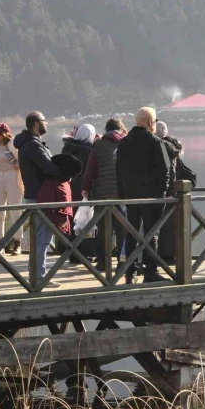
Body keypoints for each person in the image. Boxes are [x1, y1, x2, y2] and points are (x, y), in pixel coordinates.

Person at [116, 107, 171, 283]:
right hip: (152, 197)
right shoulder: (155, 142)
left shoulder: (124, 143)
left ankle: (129, 273)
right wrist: (163, 193)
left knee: (131, 233)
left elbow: (118, 171)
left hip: (131, 196)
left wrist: (122, 194)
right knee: (151, 234)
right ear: (149, 123)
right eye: (154, 122)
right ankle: (150, 272)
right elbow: (165, 171)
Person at [13, 111, 62, 287]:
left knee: (37, 238)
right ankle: (39, 277)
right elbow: (48, 167)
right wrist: (64, 172)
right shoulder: (33, 145)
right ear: (35, 124)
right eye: (44, 121)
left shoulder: (27, 143)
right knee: (43, 238)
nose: (46, 124)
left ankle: (35, 274)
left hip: (33, 195)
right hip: (40, 197)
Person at [82, 118, 128, 271]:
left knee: (103, 229)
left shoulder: (98, 144)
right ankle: (123, 261)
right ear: (120, 129)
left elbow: (90, 169)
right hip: (120, 193)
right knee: (122, 229)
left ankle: (103, 262)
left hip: (101, 194)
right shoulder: (125, 143)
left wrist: (85, 188)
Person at [37, 153, 83, 287]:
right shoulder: (56, 182)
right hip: (49, 213)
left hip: (49, 213)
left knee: (41, 242)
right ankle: (39, 278)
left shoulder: (54, 179)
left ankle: (37, 276)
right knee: (42, 243)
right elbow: (53, 201)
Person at [0, 123, 24, 256]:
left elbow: (23, 162)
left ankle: (17, 242)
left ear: (6, 134)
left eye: (0, 134)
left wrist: (16, 164)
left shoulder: (14, 144)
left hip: (13, 177)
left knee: (15, 210)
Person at [60, 123, 96, 261]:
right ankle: (85, 253)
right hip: (84, 191)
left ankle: (71, 252)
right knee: (85, 221)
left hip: (68, 189)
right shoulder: (90, 151)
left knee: (70, 219)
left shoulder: (66, 148)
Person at [155, 121, 184, 263]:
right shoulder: (173, 146)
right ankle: (170, 255)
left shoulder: (159, 146)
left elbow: (167, 171)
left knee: (161, 225)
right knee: (170, 226)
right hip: (173, 192)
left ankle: (161, 255)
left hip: (163, 192)